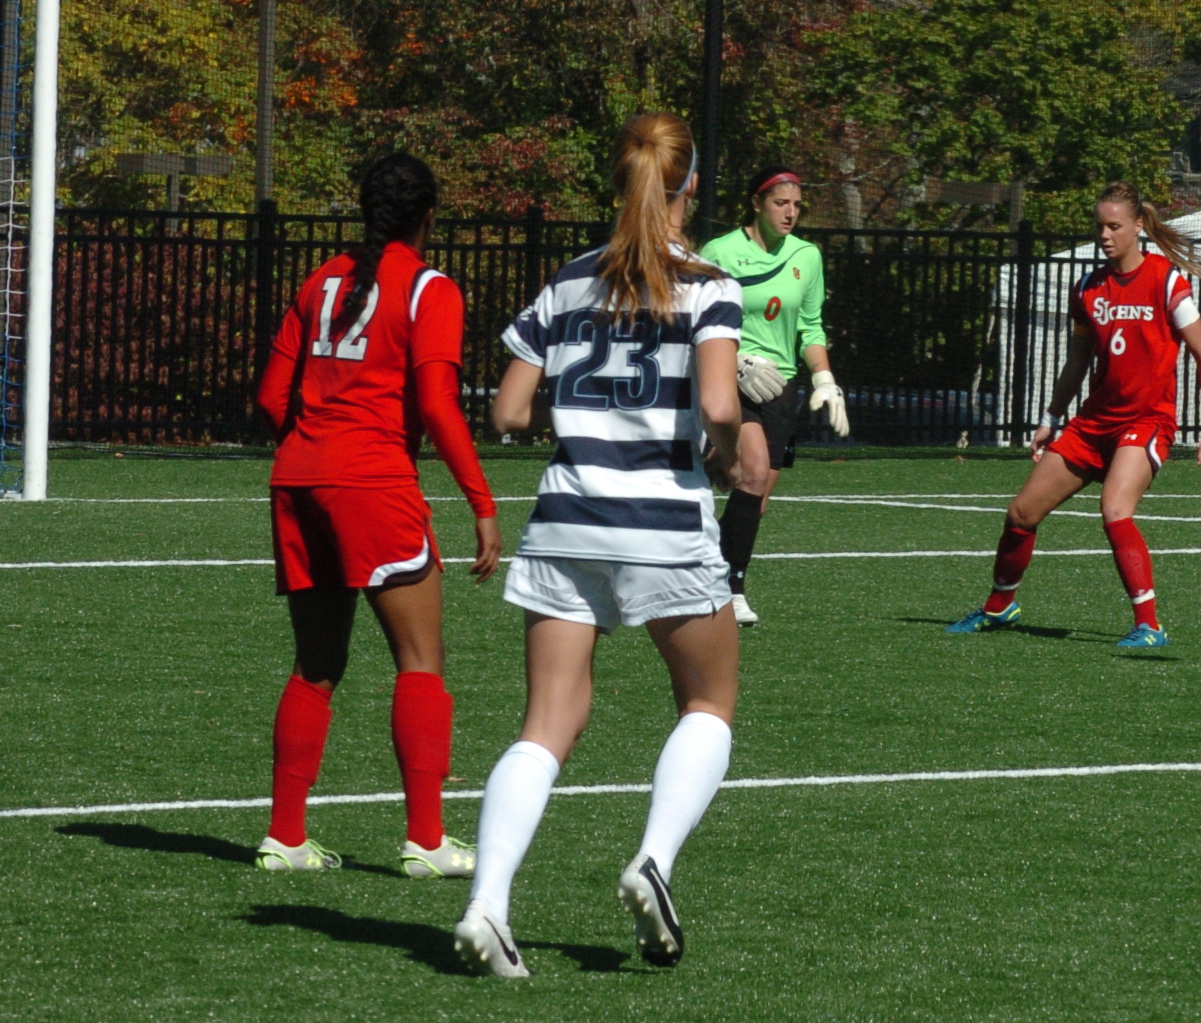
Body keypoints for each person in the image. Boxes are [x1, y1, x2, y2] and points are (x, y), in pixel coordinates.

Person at [453, 113, 761, 978]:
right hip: (662, 523)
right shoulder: (709, 285)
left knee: (545, 725)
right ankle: (653, 861)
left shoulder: (567, 281)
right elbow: (721, 404)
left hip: (564, 520)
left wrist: (585, 419)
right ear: (690, 185)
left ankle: (487, 903)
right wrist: (730, 452)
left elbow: (507, 412)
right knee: (708, 703)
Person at [253, 152, 501, 877]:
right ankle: (427, 840)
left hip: (297, 477)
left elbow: (270, 397)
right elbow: (438, 406)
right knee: (420, 662)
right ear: (429, 216)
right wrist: (482, 504)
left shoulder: (320, 280)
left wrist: (317, 446)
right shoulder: (429, 287)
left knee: (316, 664)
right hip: (373, 480)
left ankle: (285, 836)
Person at [945, 182, 1201, 649]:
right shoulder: (1088, 287)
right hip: (1093, 423)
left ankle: (1149, 625)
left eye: (1114, 226)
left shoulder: (1166, 281)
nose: (1105, 235)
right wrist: (1051, 417)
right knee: (1021, 513)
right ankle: (999, 606)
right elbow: (1077, 359)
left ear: (1139, 225)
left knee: (1114, 509)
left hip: (1145, 421)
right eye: (1099, 226)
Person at [697, 164, 849, 625]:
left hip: (780, 388)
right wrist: (734, 362)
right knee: (755, 472)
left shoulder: (807, 256)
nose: (790, 213)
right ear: (756, 203)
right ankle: (731, 590)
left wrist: (824, 379)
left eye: (797, 205)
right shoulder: (720, 251)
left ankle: (702, 567)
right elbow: (695, 320)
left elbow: (810, 327)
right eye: (781, 203)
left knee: (755, 496)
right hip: (733, 380)